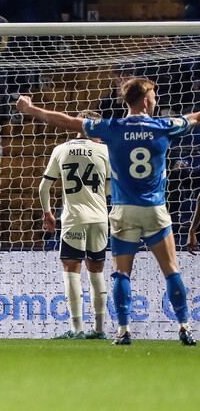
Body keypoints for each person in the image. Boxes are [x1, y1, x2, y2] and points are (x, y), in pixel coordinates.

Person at [16, 78, 200, 346]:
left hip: (123, 211)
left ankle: (123, 330)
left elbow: (67, 121)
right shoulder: (164, 126)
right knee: (171, 271)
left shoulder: (112, 128)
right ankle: (184, 326)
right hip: (154, 209)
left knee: (121, 274)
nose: (156, 99)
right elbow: (195, 117)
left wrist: (31, 109)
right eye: (155, 95)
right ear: (146, 99)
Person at [38, 110, 111, 339]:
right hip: (99, 218)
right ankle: (99, 330)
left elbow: (44, 187)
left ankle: (77, 329)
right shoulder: (106, 150)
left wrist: (48, 214)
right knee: (96, 272)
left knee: (71, 272)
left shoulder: (61, 149)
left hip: (73, 219)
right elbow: (111, 188)